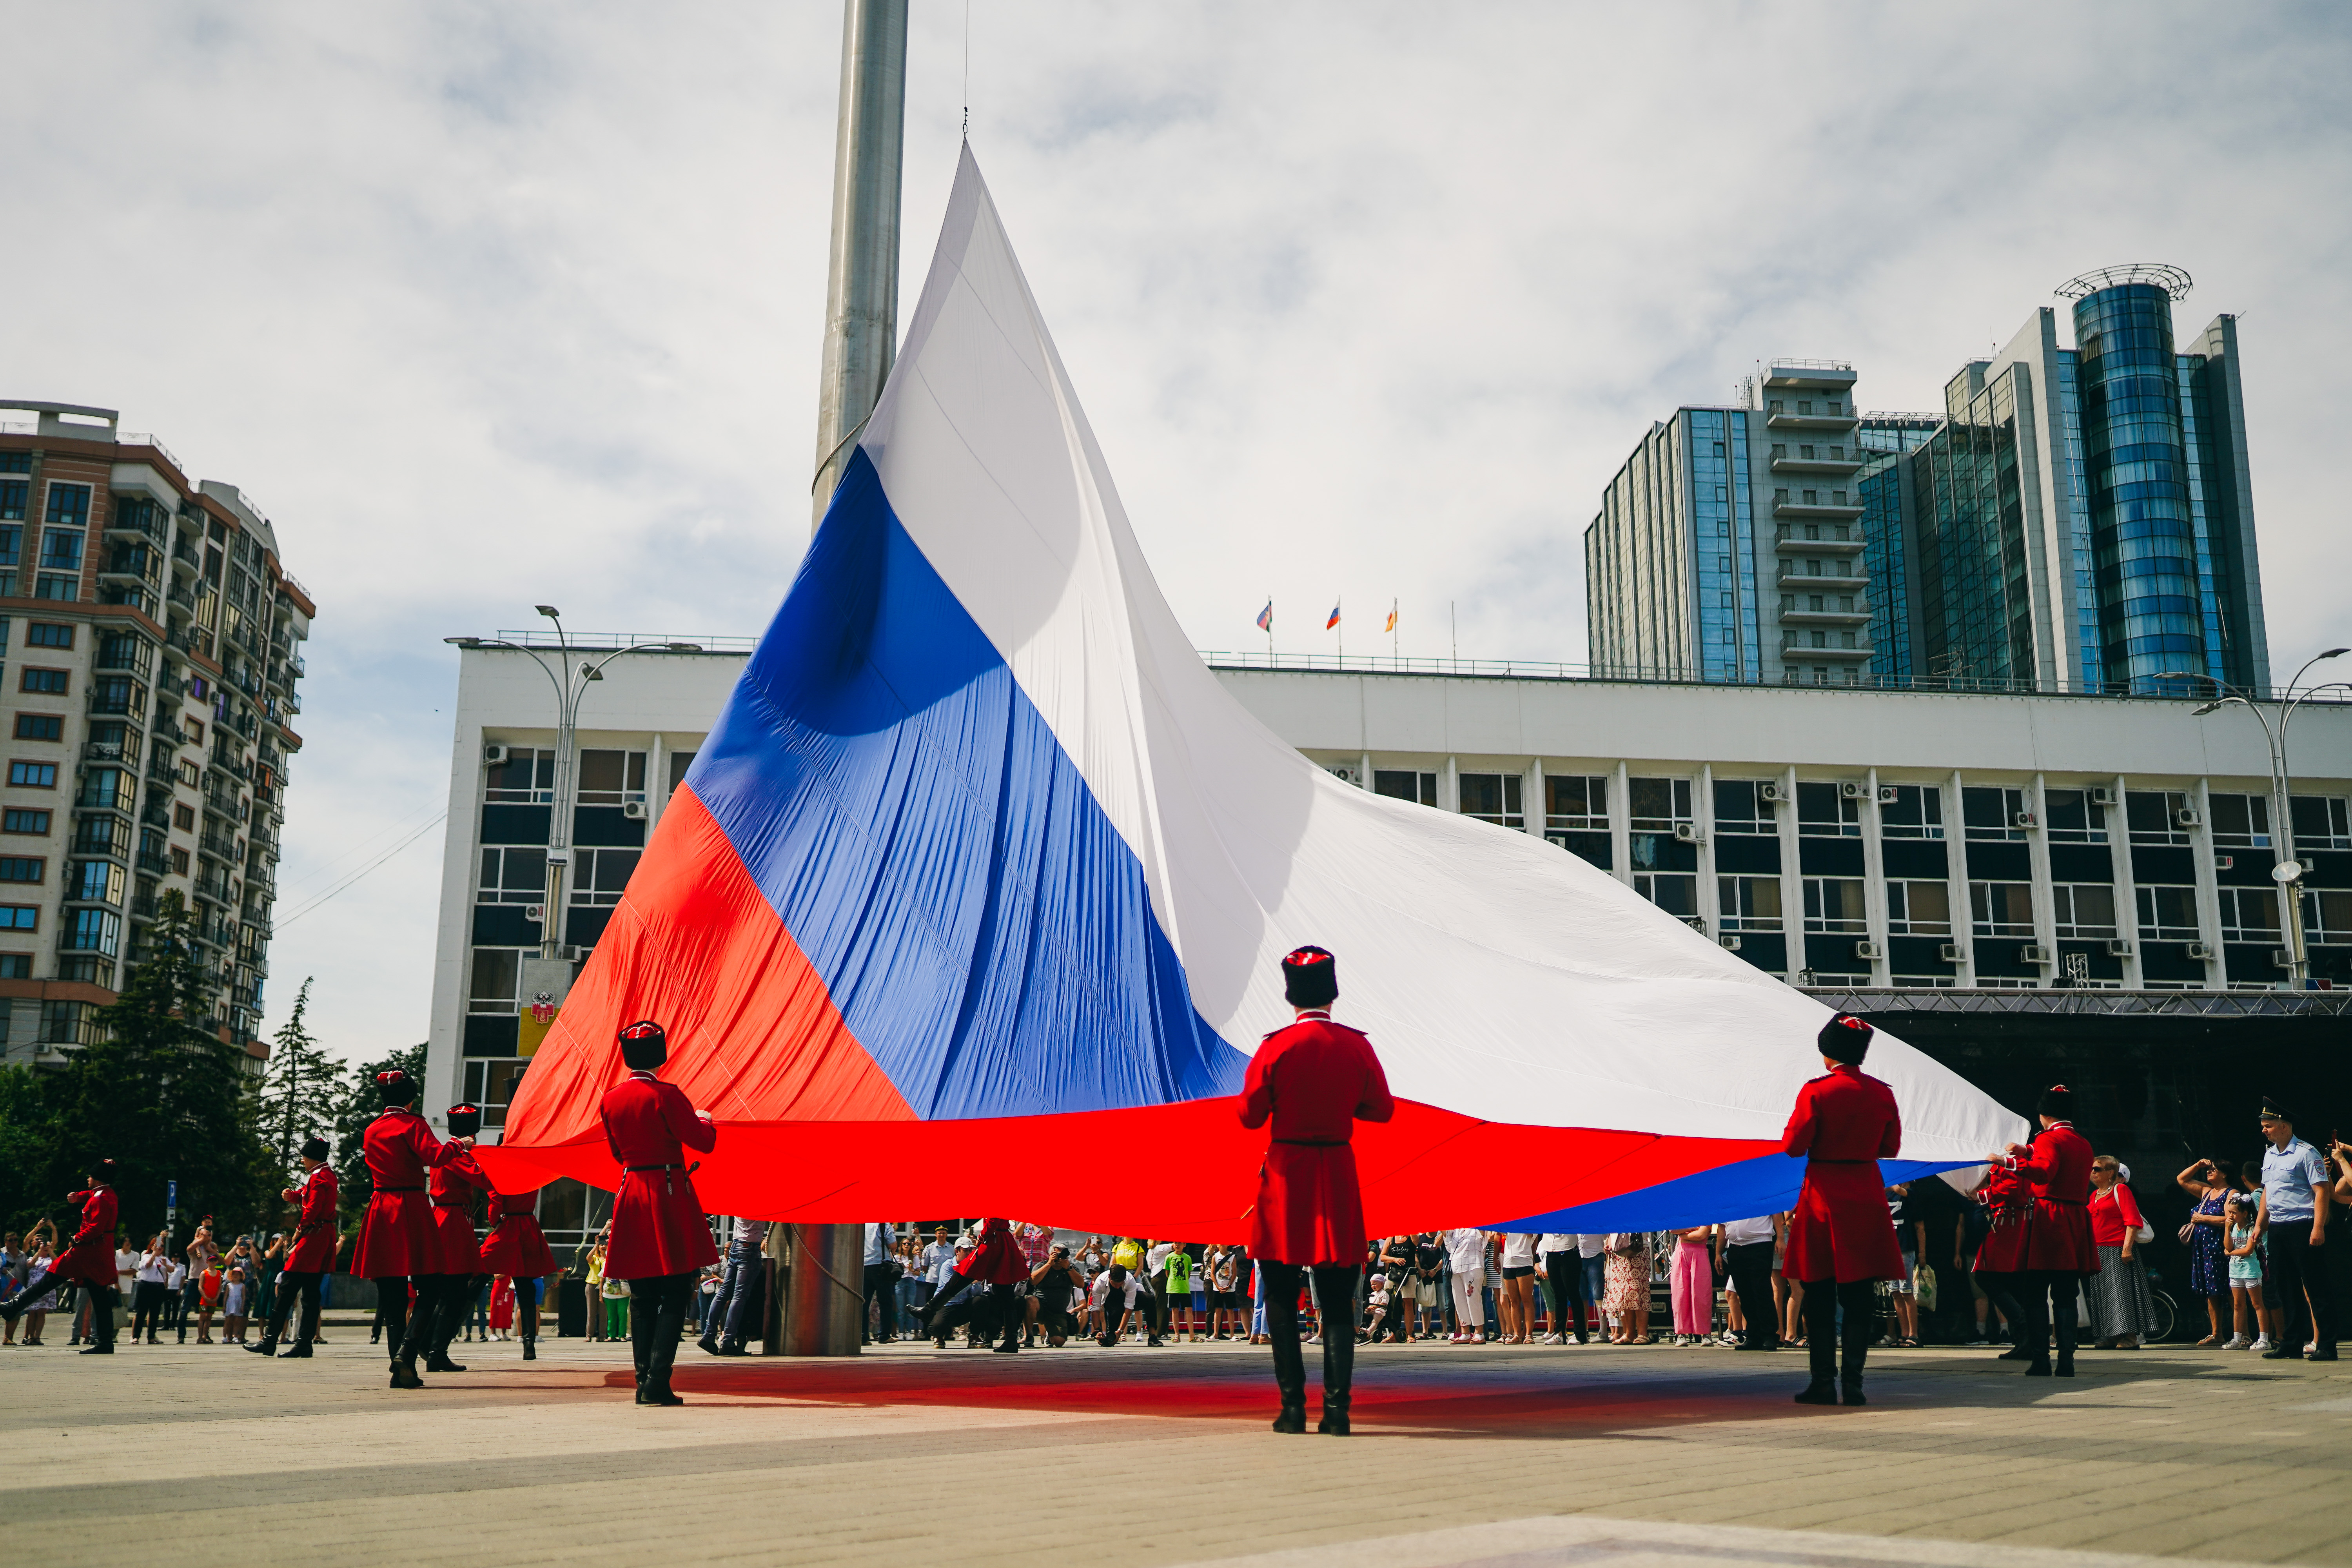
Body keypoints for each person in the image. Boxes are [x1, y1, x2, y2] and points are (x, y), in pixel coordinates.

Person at [1240, 945, 1395, 1436]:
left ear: (1290, 995)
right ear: (1332, 993)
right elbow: (1382, 1109)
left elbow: (1249, 1115)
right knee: (1336, 1300)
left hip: (1287, 1174)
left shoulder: (1275, 1046)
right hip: (1336, 1171)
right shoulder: (1356, 1046)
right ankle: (1337, 1412)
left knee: (1282, 1295)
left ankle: (1291, 1410)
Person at [1783, 1013, 1905, 1406]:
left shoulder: (1816, 1091)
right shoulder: (1882, 1093)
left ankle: (1822, 1381)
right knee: (1860, 1297)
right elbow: (1890, 1148)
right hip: (1866, 1194)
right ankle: (1854, 1382)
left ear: (1827, 1052)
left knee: (1818, 1295)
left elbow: (1794, 1146)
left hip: (1824, 1194)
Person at [600, 1019, 720, 1405]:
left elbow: (618, 1154)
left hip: (632, 1189)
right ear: (659, 1054)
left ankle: (642, 1382)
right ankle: (657, 1381)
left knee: (642, 1294)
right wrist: (704, 1118)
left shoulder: (611, 1098)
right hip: (668, 1192)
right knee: (675, 1290)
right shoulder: (667, 1094)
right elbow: (703, 1142)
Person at [353, 1068, 474, 1390]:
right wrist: (461, 1145)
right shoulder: (413, 1124)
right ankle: (407, 1352)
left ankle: (401, 1370)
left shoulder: (372, 1129)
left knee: (392, 1296)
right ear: (410, 1098)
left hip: (380, 1206)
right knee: (431, 1286)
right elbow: (436, 1157)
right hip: (409, 1205)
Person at [1991, 1083, 2097, 1378]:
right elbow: (2054, 1158)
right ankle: (2067, 1361)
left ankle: (2040, 1360)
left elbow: (2045, 1171)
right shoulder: (2082, 1142)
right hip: (2075, 1218)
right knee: (2066, 1293)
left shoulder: (2049, 1139)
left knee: (2036, 1293)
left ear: (2043, 1114)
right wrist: (2027, 1150)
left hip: (2049, 1217)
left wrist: (2007, 1162)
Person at [0, 1163, 123, 1353]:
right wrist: (78, 1197)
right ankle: (105, 1341)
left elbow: (96, 1227)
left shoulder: (101, 1199)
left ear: (98, 1178)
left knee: (50, 1278)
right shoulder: (106, 1194)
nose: (88, 1179)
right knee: (100, 1297)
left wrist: (76, 1238)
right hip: (98, 1251)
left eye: (90, 1176)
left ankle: (13, 1307)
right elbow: (92, 1195)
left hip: (87, 1250)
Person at [2254, 1098, 2335, 1361]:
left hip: (2303, 1225)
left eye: (2268, 1126)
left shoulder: (2305, 1152)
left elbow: (2321, 1191)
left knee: (2316, 1287)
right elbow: (2268, 1191)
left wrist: (2318, 1227)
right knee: (2285, 1288)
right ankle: (2291, 1342)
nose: (2264, 1130)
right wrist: (2259, 1225)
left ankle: (2326, 1345)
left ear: (2284, 1126)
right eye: (2264, 1126)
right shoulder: (2269, 1154)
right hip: (2278, 1227)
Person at [421, 1102, 494, 1373]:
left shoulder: (449, 1150)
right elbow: (484, 1179)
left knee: (448, 1290)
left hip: (450, 1218)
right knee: (455, 1290)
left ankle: (430, 1344)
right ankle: (435, 1348)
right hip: (452, 1222)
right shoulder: (458, 1154)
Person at [251, 1137, 339, 1358]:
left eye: (304, 1157)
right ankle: (303, 1343)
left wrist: (299, 1231)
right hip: (322, 1235)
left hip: (313, 1236)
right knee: (310, 1294)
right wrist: (294, 1197)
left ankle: (270, 1340)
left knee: (288, 1287)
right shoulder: (324, 1175)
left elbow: (313, 1209)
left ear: (312, 1157)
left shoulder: (319, 1178)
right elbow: (309, 1197)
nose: (302, 1161)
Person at [479, 1173, 560, 1362]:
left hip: (509, 1226)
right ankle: (529, 1344)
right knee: (527, 1291)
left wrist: (495, 1222)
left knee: (480, 1271)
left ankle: (440, 1343)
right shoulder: (530, 1173)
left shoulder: (504, 1174)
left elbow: (496, 1200)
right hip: (528, 1225)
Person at [920, 1216, 1028, 1352]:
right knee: (1004, 1291)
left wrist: (982, 1237)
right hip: (1000, 1240)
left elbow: (993, 1220)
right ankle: (1011, 1340)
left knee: (965, 1275)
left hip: (994, 1241)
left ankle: (929, 1309)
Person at [2085, 1155, 2155, 1350]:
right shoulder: (2094, 1195)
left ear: (2110, 1173)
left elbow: (2132, 1221)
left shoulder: (2121, 1190)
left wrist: (2126, 1249)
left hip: (2117, 1250)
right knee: (2104, 1294)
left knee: (2121, 1294)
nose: (2093, 1172)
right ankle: (2110, 1335)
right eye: (2092, 1169)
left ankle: (2130, 1337)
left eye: (2097, 1169)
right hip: (2099, 1250)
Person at [1969, 1160, 2032, 1357]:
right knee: (2011, 1280)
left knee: (1987, 1277)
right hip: (2008, 1219)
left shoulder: (2008, 1160)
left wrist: (1983, 1195)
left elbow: (2012, 1187)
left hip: (2010, 1221)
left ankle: (2025, 1329)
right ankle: (2027, 1336)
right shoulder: (2004, 1160)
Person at [2176, 1156, 2235, 1346]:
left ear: (2225, 1174)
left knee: (2230, 1289)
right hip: (2203, 1249)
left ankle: (2240, 1333)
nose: (2210, 1172)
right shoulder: (2206, 1191)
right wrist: (2198, 1165)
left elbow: (2230, 1219)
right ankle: (2216, 1333)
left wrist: (2203, 1219)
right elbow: (2182, 1180)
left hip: (2220, 1246)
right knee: (2212, 1290)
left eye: (2214, 1170)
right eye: (2209, 1170)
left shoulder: (2231, 1193)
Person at [695, 1216, 767, 1358]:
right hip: (749, 1247)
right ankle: (728, 1340)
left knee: (723, 1294)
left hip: (736, 1245)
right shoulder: (759, 1199)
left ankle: (708, 1336)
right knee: (739, 1296)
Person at [1721, 1214, 1780, 1350]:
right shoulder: (1727, 1196)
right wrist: (1719, 1252)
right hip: (1735, 1246)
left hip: (1760, 1243)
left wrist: (1781, 1239)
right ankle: (1754, 1335)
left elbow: (1776, 1213)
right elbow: (1722, 1226)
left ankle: (1769, 1335)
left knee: (1762, 1291)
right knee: (1745, 1294)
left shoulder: (1757, 1192)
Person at [2223, 1194, 2270, 1350]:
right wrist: (2226, 1228)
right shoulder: (2234, 1228)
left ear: (2245, 1213)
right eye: (2230, 1213)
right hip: (2235, 1271)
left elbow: (2249, 1250)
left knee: (2257, 1304)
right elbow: (2228, 1246)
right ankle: (2237, 1338)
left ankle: (2264, 1339)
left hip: (2251, 1271)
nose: (2231, 1216)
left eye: (2234, 1213)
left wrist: (2230, 1253)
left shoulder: (2251, 1228)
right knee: (2238, 1305)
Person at [1602, 1230, 1651, 1344]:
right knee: (1624, 1293)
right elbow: (1612, 1231)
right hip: (1619, 1251)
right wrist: (1609, 1244)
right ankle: (1629, 1334)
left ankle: (1643, 1334)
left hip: (1638, 1248)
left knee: (1638, 1290)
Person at [1669, 1225, 1714, 1345]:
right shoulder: (1685, 1213)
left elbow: (1701, 1235)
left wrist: (1683, 1234)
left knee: (1701, 1293)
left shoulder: (1706, 1216)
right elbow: (1673, 1229)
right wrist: (1692, 1229)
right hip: (1682, 1253)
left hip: (1700, 1253)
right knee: (1680, 1294)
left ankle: (1705, 1333)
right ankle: (1681, 1333)